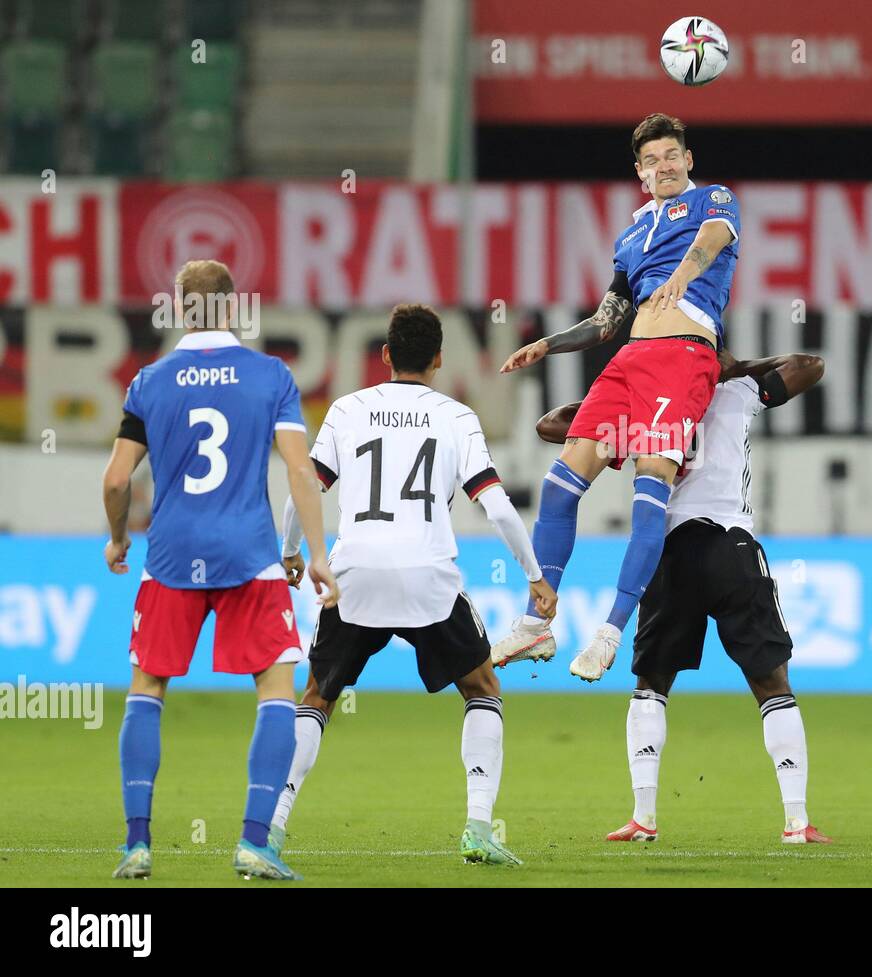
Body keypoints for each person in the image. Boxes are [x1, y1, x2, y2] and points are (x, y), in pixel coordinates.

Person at [275, 305, 556, 866]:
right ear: (438, 360)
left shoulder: (347, 409)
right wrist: (535, 575)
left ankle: (272, 826)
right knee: (482, 688)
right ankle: (479, 828)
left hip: (354, 574)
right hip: (429, 577)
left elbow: (304, 485)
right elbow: (497, 506)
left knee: (317, 697)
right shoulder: (456, 416)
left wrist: (291, 551)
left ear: (384, 356)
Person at [531, 349, 833, 844]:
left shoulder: (646, 406)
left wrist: (615, 400)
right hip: (729, 545)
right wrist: (739, 367)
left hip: (668, 550)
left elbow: (550, 425)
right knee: (772, 684)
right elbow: (810, 364)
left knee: (652, 684)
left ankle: (643, 818)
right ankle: (797, 822)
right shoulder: (739, 391)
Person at [103, 259, 338, 881]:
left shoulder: (149, 381)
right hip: (252, 554)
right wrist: (315, 552)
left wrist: (117, 537)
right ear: (233, 309)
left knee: (147, 690)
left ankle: (137, 845)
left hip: (172, 556)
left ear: (179, 309)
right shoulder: (271, 376)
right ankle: (255, 843)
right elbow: (299, 472)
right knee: (276, 693)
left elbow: (118, 478)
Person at [492, 112, 741, 683]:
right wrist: (548, 345)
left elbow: (713, 240)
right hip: (628, 361)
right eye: (652, 160)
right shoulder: (630, 238)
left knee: (650, 480)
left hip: (682, 355)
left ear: (688, 159)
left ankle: (608, 633)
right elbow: (608, 320)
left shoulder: (715, 200)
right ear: (640, 172)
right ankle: (537, 624)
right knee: (560, 487)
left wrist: (684, 273)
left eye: (672, 155)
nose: (664, 166)